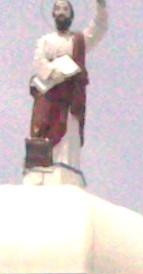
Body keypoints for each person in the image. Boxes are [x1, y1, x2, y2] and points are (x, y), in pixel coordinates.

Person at [30, 0, 110, 175]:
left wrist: (100, 6)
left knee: (68, 131)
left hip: (69, 97)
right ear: (52, 14)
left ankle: (65, 167)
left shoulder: (77, 40)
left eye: (65, 9)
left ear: (71, 15)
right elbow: (39, 62)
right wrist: (54, 73)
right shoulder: (45, 41)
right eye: (58, 9)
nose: (61, 12)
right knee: (44, 128)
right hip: (49, 94)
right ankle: (44, 166)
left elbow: (99, 28)